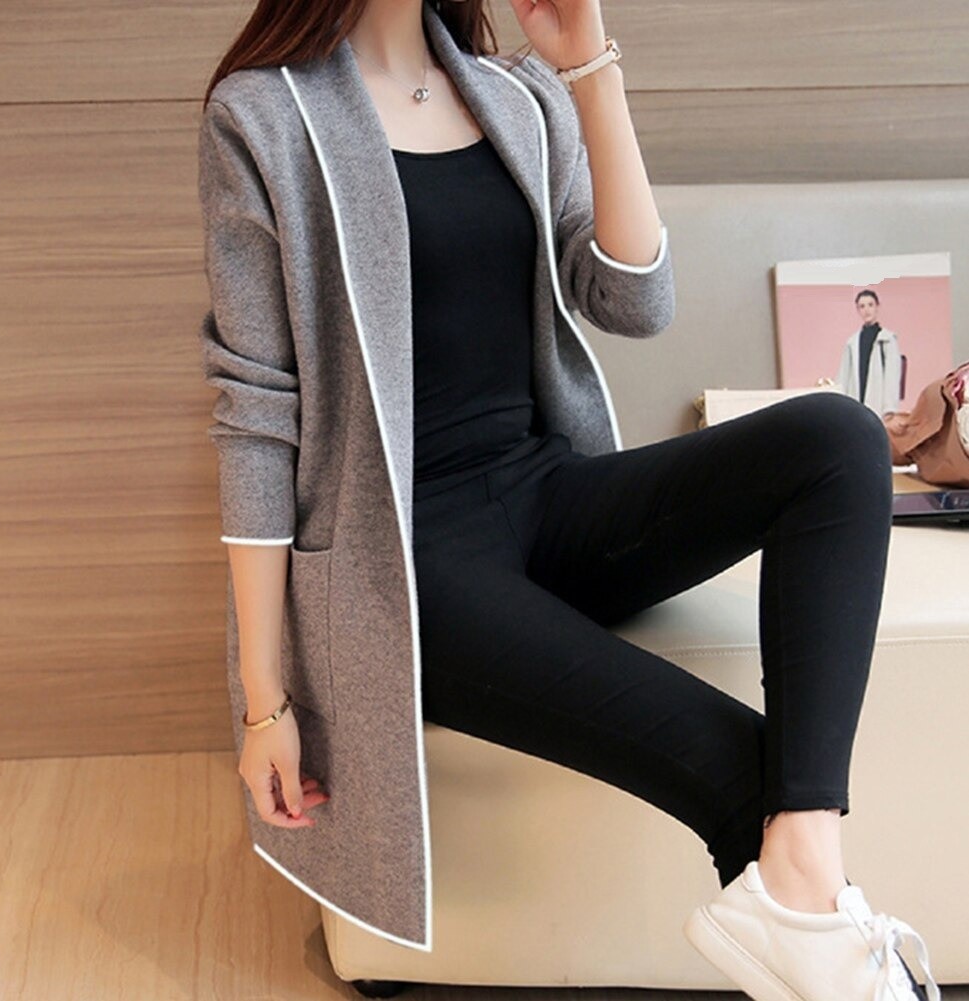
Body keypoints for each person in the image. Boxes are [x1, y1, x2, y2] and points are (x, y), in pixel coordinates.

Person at [196, 1, 941, 997]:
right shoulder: (262, 117)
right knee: (735, 759)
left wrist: (588, 68)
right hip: (405, 564)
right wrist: (265, 701)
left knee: (836, 438)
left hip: (547, 495)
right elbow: (256, 417)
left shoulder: (514, 96)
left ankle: (803, 908)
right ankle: (831, 943)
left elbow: (635, 298)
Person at [835, 289, 904, 417]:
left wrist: (889, 408)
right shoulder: (852, 342)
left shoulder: (887, 340)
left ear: (877, 306)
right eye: (862, 306)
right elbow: (843, 376)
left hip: (879, 404)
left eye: (870, 305)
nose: (867, 310)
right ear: (858, 310)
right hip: (856, 404)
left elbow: (892, 376)